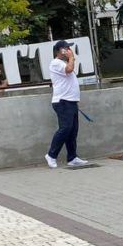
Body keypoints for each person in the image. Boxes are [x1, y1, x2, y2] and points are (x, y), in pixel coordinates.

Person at [45, 40, 88, 168]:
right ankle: (51, 155)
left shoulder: (63, 62)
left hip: (71, 101)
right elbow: (69, 70)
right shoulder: (55, 63)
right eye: (67, 48)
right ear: (60, 51)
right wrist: (72, 58)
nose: (69, 50)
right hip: (62, 102)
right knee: (65, 128)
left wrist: (70, 58)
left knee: (73, 130)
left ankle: (72, 157)